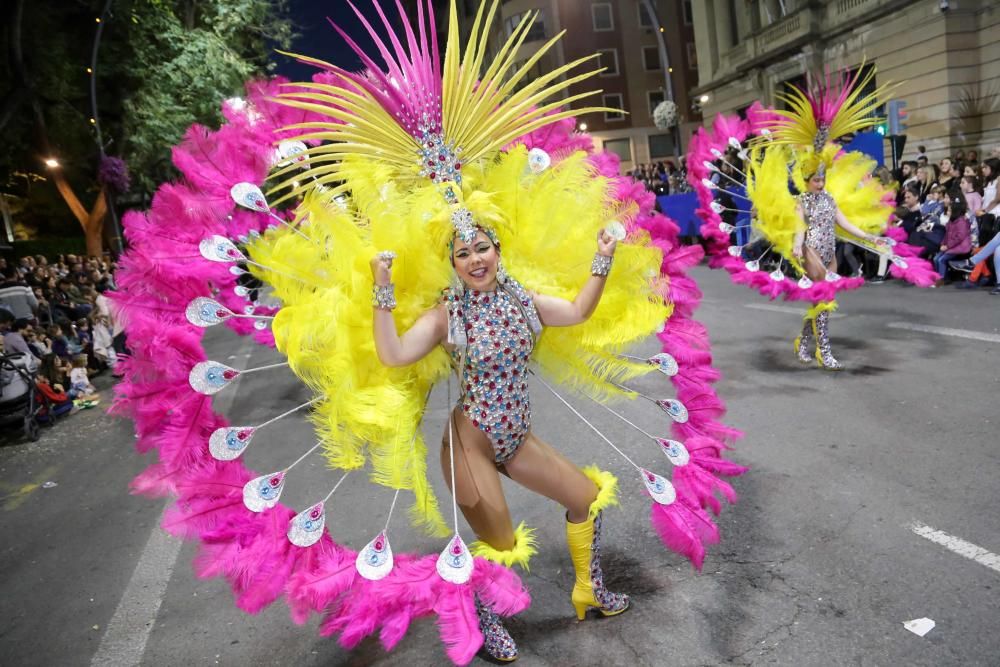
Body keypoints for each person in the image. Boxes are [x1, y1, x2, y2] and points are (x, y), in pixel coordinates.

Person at [791, 166, 879, 369]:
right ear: (806, 181)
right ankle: (824, 352)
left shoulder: (829, 198)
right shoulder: (801, 201)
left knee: (818, 304)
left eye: (822, 180)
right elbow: (799, 229)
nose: (820, 184)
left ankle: (802, 342)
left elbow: (845, 223)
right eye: (816, 180)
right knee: (824, 302)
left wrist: (868, 237)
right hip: (811, 253)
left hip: (830, 254)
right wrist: (797, 246)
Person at [932, 198, 971, 283]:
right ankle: (938, 276)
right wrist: (943, 244)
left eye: (949, 210)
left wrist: (947, 246)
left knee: (941, 260)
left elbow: (959, 238)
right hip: (951, 246)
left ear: (955, 212)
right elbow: (946, 235)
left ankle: (942, 278)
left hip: (960, 247)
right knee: (935, 258)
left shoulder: (961, 222)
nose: (947, 212)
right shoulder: (951, 221)